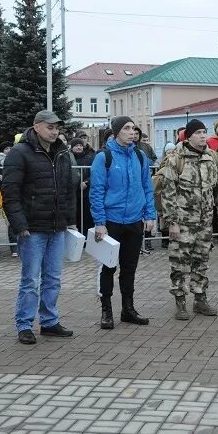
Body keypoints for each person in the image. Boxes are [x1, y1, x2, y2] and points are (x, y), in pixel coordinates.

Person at [2, 110, 78, 345]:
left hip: (56, 226)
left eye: (57, 128)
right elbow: (10, 191)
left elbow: (67, 190)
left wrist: (69, 219)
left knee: (53, 277)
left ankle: (49, 321)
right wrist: (19, 225)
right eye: (50, 127)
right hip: (32, 227)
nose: (55, 132)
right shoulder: (20, 153)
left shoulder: (62, 153)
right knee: (30, 280)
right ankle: (24, 324)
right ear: (36, 127)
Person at [159, 119, 218, 320]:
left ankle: (200, 299)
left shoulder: (212, 158)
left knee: (201, 261)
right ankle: (180, 302)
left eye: (204, 132)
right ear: (188, 135)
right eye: (198, 132)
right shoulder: (176, 159)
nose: (202, 135)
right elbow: (168, 192)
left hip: (204, 222)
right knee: (179, 263)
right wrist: (171, 221)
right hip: (182, 222)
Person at [90, 116, 157, 329]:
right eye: (127, 128)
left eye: (134, 128)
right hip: (111, 221)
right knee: (108, 267)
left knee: (129, 268)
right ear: (117, 132)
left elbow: (147, 187)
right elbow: (97, 191)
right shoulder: (104, 157)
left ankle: (128, 309)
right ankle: (106, 310)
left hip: (134, 221)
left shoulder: (139, 156)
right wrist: (100, 222)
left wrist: (150, 215)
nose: (132, 132)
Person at [70, 138, 96, 238]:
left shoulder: (89, 157)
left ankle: (86, 238)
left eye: (80, 145)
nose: (79, 147)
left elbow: (93, 172)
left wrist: (87, 182)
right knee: (75, 216)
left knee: (87, 216)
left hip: (86, 191)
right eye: (76, 145)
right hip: (73, 192)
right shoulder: (69, 158)